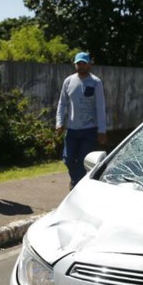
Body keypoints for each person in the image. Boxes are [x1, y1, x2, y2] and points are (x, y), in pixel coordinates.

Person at [56, 52, 107, 189]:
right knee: (68, 158)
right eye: (79, 63)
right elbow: (62, 103)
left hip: (89, 129)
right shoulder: (69, 81)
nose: (82, 66)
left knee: (83, 160)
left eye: (84, 63)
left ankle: (76, 186)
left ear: (90, 64)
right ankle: (76, 180)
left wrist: (102, 130)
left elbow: (100, 107)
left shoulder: (95, 82)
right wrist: (59, 122)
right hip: (72, 129)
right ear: (75, 65)